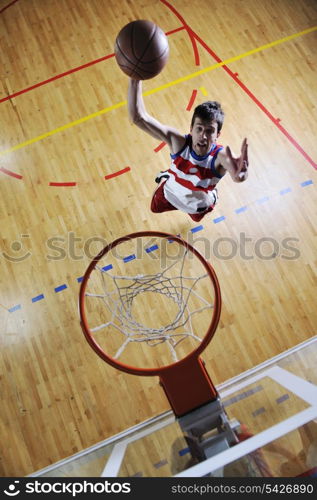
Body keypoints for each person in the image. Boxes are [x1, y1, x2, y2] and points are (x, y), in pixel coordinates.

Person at [128, 79, 249, 222]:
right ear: (191, 129)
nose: (203, 136)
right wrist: (135, 79)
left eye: (210, 131)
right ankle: (168, 178)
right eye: (199, 129)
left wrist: (241, 175)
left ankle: (212, 196)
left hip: (198, 203)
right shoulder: (178, 142)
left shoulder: (220, 157)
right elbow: (138, 118)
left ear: (218, 135)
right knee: (154, 208)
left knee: (196, 219)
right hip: (170, 193)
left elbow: (237, 174)